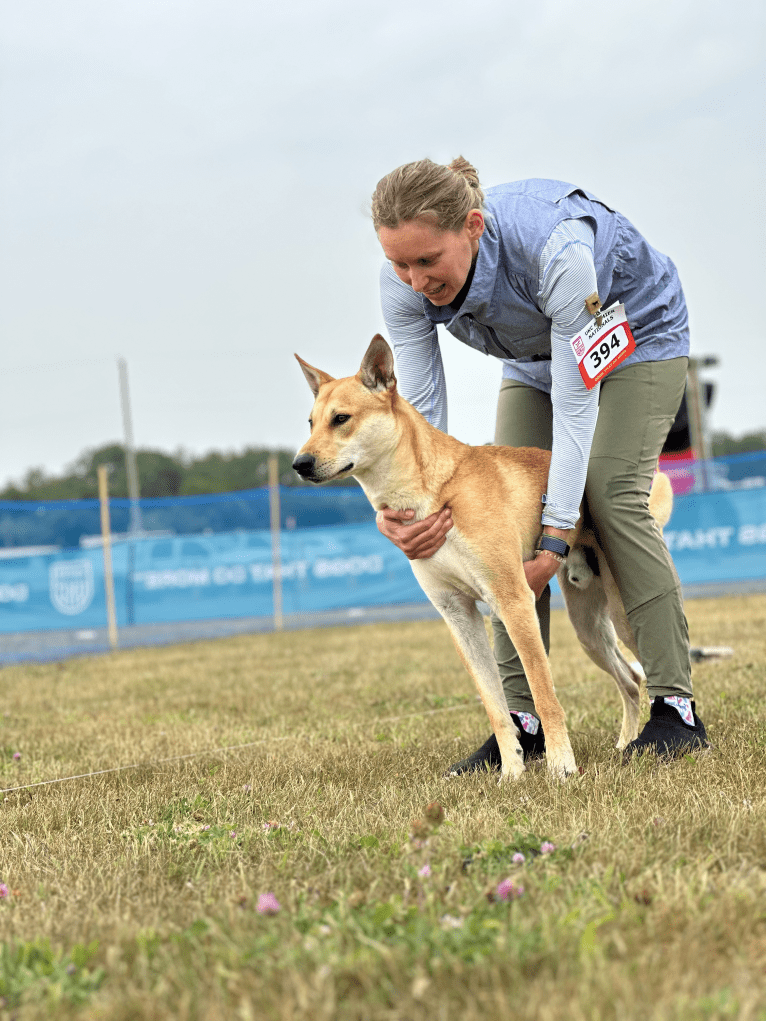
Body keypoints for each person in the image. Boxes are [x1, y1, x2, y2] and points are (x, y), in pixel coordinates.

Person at [370, 157, 709, 772]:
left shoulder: (555, 251)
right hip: (534, 359)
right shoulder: (402, 286)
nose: (415, 279)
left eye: (428, 261)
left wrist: (555, 540)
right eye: (399, 263)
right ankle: (523, 727)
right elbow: (417, 418)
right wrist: (403, 511)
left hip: (638, 335)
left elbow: (577, 407)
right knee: (495, 515)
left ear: (472, 226)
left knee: (608, 492)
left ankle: (674, 709)